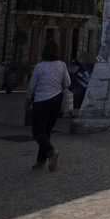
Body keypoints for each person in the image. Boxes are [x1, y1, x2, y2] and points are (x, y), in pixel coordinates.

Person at [25, 41, 71, 171]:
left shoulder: (39, 67)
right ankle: (41, 162)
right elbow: (67, 82)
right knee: (46, 131)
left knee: (37, 131)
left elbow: (31, 85)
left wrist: (28, 99)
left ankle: (51, 151)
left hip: (41, 101)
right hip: (56, 100)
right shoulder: (62, 65)